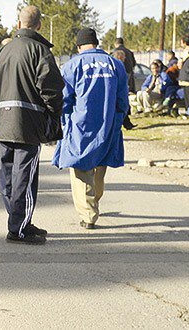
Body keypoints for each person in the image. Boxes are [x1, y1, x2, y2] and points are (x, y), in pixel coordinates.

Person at [0, 5, 63, 245]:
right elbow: (52, 89)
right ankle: (18, 227)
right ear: (39, 25)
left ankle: (18, 220)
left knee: (8, 176)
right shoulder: (40, 52)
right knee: (25, 177)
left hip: (4, 122)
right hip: (28, 122)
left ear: (18, 24)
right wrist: (51, 116)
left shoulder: (1, 52)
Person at [55, 28, 127, 230]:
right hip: (108, 124)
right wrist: (117, 120)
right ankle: (94, 200)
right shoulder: (116, 64)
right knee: (100, 166)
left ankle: (88, 215)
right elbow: (123, 100)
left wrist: (65, 122)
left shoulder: (72, 65)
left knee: (80, 168)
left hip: (81, 125)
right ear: (96, 43)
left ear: (79, 46)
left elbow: (65, 99)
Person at [109, 50, 137, 130]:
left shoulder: (111, 64)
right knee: (121, 107)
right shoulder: (119, 64)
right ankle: (126, 125)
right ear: (119, 57)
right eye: (124, 56)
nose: (125, 58)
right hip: (118, 91)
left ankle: (127, 124)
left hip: (114, 90)